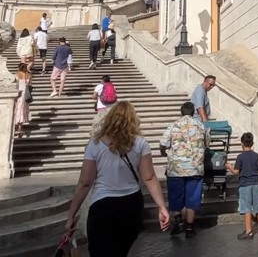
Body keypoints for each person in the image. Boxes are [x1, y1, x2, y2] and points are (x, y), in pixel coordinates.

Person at [66, 101, 171, 256]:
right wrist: (162, 207)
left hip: (102, 205)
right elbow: (149, 177)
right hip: (131, 204)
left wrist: (71, 216)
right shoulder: (141, 143)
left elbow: (85, 182)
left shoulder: (95, 144)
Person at [159, 101, 207, 238]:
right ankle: (190, 228)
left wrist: (165, 153)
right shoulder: (201, 126)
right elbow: (206, 143)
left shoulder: (173, 126)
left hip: (176, 168)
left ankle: (179, 222)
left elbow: (163, 143)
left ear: (181, 112)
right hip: (195, 167)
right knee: (192, 197)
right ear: (193, 112)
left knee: (175, 195)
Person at [228, 132, 258, 239]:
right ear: (252, 143)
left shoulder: (240, 157)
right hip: (256, 184)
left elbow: (236, 172)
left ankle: (249, 231)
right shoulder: (256, 156)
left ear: (242, 143)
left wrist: (229, 167)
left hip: (245, 184)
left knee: (246, 208)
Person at [15, 63, 32, 138]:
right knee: (22, 110)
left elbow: (16, 84)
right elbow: (30, 85)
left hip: (18, 94)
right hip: (25, 95)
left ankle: (17, 127)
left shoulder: (17, 74)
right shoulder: (29, 75)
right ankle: (20, 128)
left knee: (17, 109)